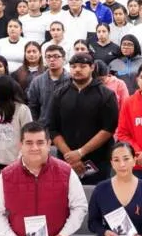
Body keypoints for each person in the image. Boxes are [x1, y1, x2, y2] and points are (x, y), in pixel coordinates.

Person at [48, 53, 119, 184]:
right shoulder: (59, 94)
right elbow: (52, 128)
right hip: (66, 160)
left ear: (92, 67)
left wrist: (80, 152)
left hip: (98, 161)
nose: (77, 70)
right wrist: (70, 156)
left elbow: (108, 129)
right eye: (73, 66)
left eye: (82, 66)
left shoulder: (106, 95)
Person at [27, 45, 69, 126]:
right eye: (48, 57)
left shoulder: (71, 80)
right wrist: (36, 126)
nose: (52, 59)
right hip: (43, 127)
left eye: (56, 56)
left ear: (63, 58)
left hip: (66, 127)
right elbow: (32, 107)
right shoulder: (37, 81)